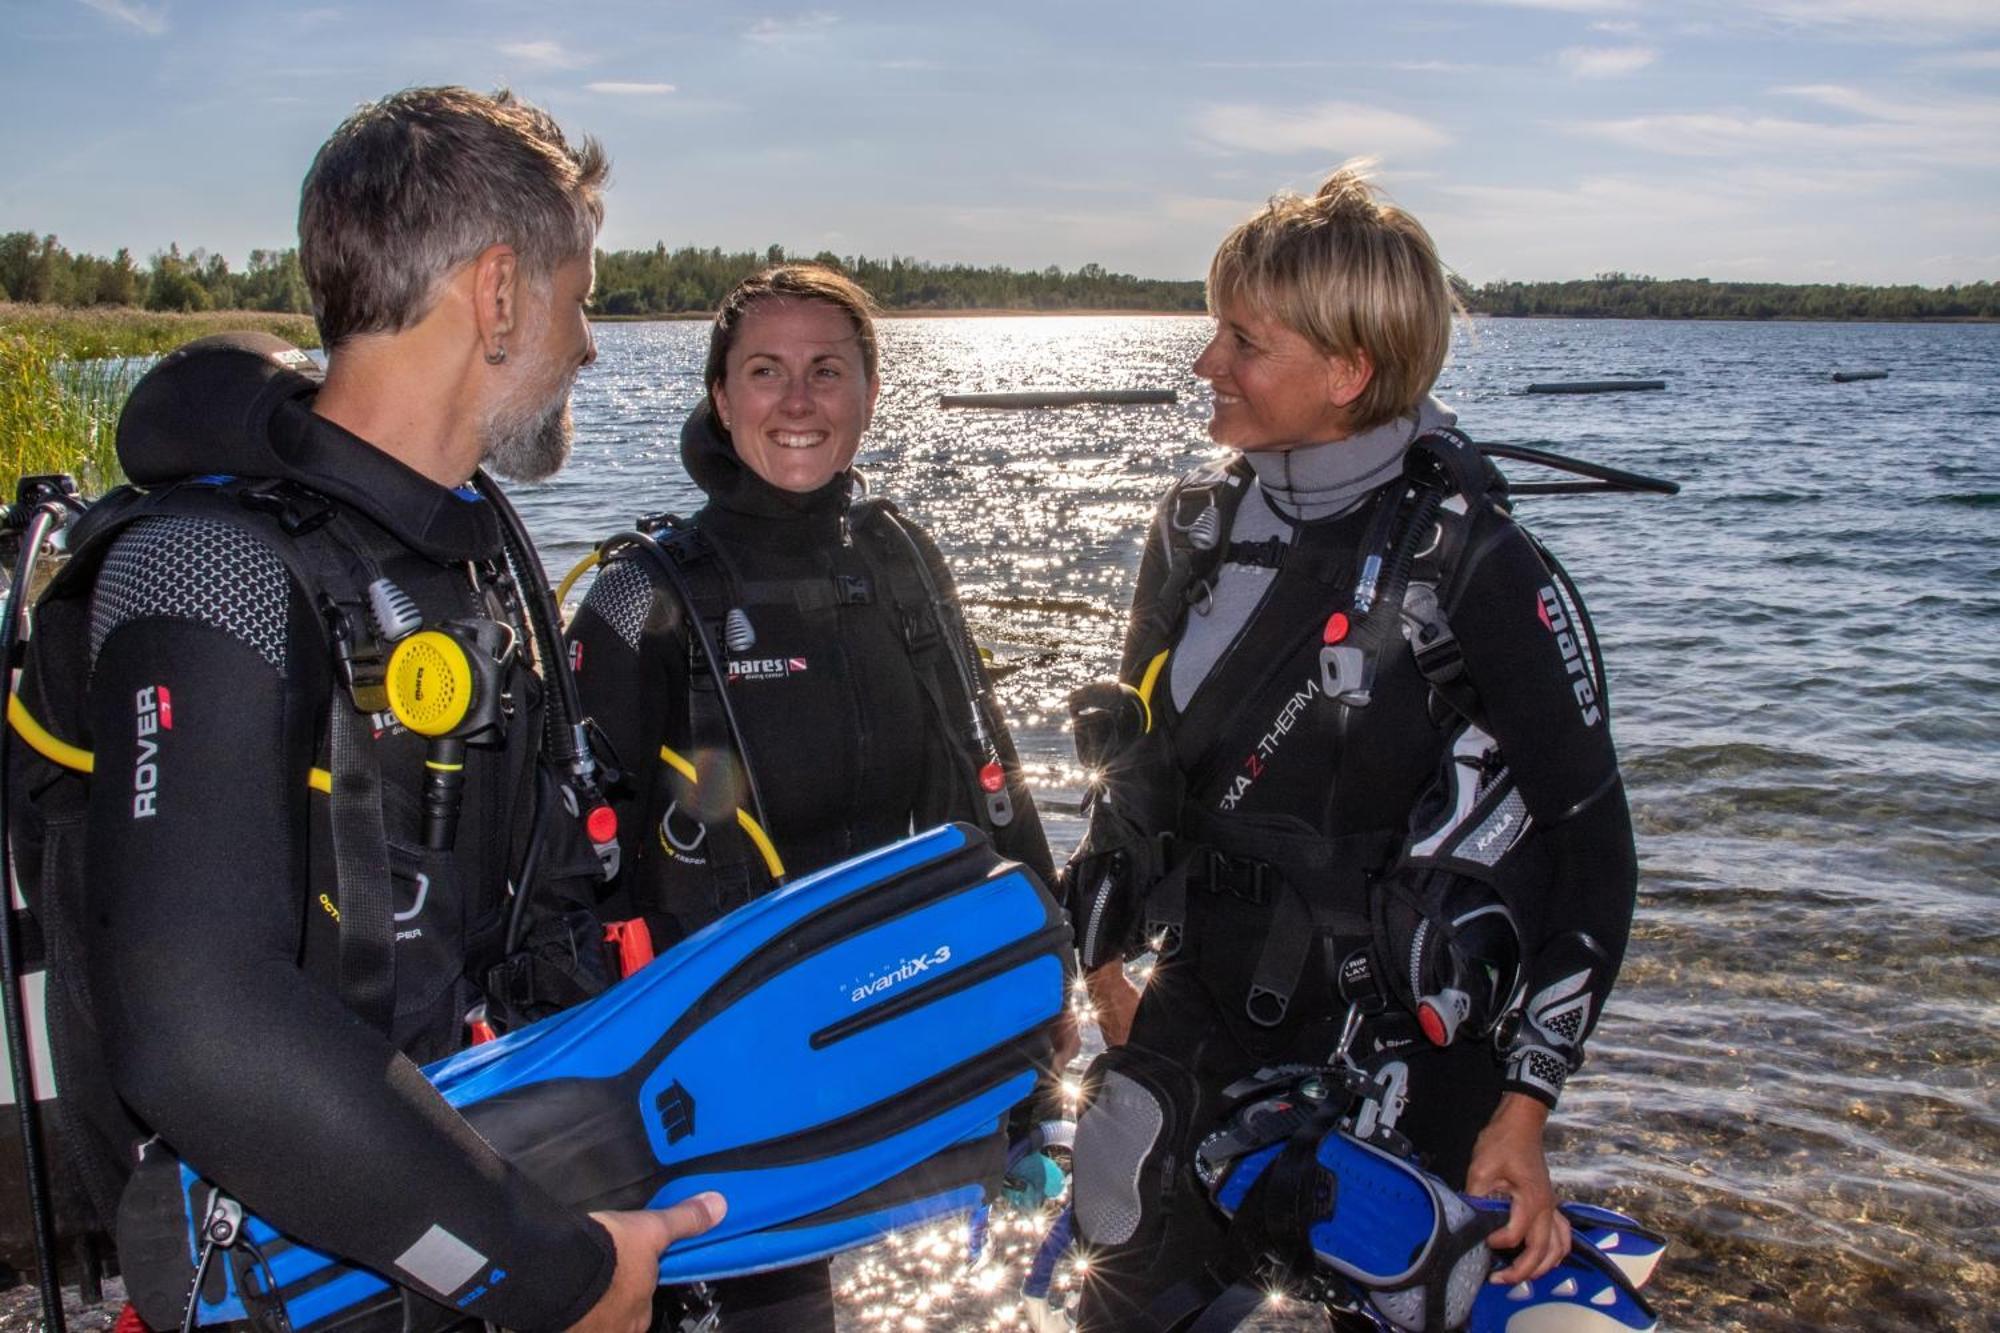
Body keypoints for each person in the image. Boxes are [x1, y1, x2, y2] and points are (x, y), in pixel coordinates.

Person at [9, 87, 717, 1333]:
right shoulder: (206, 563)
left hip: (454, 1206)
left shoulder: (460, 557)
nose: (589, 346)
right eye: (582, 295)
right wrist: (546, 1271)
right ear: (497, 294)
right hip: (313, 1277)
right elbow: (202, 1033)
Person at [1060, 165, 1639, 1329]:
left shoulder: (1474, 562)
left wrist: (1521, 1110)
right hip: (1194, 1013)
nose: (1202, 364)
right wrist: (1105, 966)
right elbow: (1133, 776)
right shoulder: (1191, 529)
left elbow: (1593, 853)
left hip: (1402, 1053)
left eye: (1240, 339)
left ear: (1346, 372)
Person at [566, 263, 1058, 1331]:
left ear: (870, 394)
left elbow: (992, 774)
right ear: (719, 398)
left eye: (826, 370)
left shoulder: (898, 560)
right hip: (718, 1078)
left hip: (898, 1030)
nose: (797, 402)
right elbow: (569, 873)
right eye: (765, 372)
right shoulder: (643, 592)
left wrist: (1042, 1001)